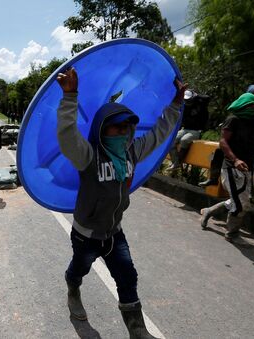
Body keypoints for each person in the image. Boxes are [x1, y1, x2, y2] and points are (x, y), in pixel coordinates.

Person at [56, 67, 184, 338]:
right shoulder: (88, 156)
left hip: (114, 232)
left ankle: (137, 330)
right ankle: (73, 288)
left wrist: (176, 104)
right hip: (86, 234)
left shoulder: (132, 152)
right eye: (117, 126)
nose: (124, 131)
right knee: (80, 268)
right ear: (102, 129)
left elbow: (159, 133)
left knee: (127, 276)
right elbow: (68, 137)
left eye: (128, 126)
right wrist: (70, 96)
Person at [200, 93, 254, 242]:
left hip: (249, 166)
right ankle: (232, 233)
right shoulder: (233, 120)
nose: (253, 109)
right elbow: (223, 142)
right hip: (231, 167)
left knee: (241, 200)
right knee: (241, 203)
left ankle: (209, 211)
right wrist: (235, 160)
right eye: (249, 106)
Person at [199, 84, 254, 186]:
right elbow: (225, 138)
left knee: (253, 154)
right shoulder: (239, 114)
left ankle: (253, 185)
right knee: (220, 151)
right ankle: (214, 178)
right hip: (242, 140)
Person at [167, 89, 209, 171]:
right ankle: (175, 163)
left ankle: (177, 162)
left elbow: (207, 98)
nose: (187, 101)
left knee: (184, 140)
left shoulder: (200, 104)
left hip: (196, 130)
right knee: (172, 140)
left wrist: (196, 95)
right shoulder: (184, 106)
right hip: (185, 129)